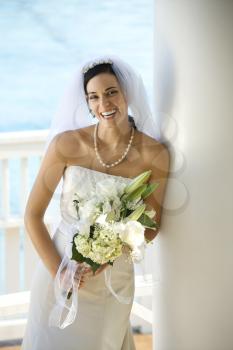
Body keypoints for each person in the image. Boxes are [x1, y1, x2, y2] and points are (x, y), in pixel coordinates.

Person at [21, 55, 170, 350]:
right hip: (59, 271)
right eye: (94, 97)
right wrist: (60, 273)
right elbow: (32, 215)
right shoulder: (66, 145)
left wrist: (112, 252)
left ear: (127, 93)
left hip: (112, 281)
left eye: (111, 92)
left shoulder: (154, 154)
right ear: (87, 103)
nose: (104, 104)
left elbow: (152, 226)